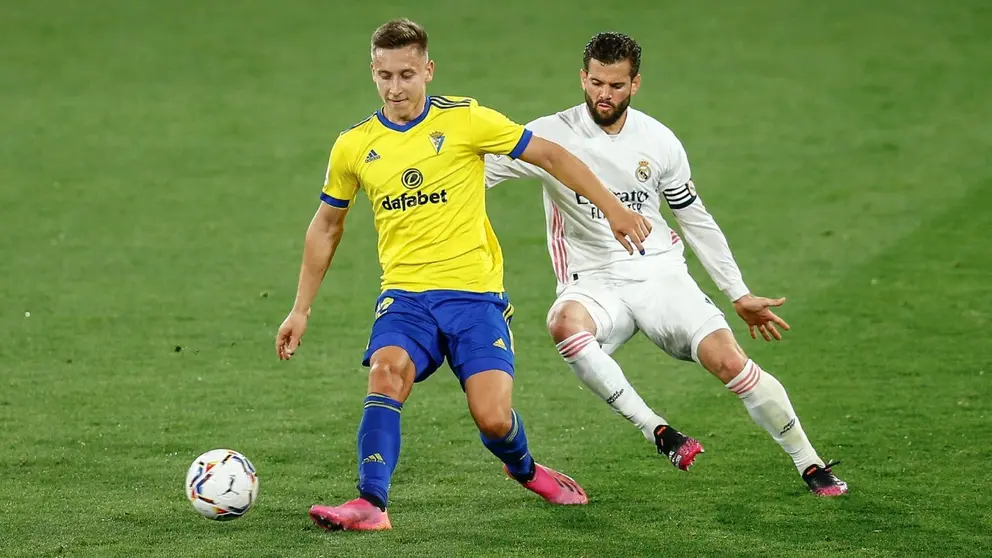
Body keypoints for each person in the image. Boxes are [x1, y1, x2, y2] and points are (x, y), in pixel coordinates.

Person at [274, 19, 655, 532]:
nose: (395, 87)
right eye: (384, 75)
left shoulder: (466, 120)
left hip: (475, 298)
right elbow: (327, 225)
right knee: (386, 372)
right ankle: (371, 503)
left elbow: (550, 153)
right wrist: (300, 308)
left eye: (407, 74)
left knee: (494, 419)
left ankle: (523, 468)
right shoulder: (354, 146)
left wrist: (612, 208)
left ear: (428, 70)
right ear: (372, 72)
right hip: (405, 297)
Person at [484, 31, 848, 497]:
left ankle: (810, 463)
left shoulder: (658, 141)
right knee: (563, 322)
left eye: (616, 86)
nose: (604, 95)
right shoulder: (551, 136)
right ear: (583, 77)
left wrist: (737, 293)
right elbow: (476, 175)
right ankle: (657, 430)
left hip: (658, 274)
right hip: (592, 282)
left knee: (729, 359)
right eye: (595, 83)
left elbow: (694, 218)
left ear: (635, 84)